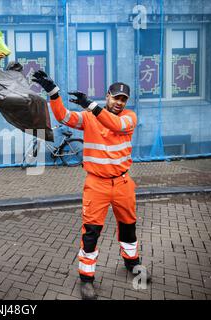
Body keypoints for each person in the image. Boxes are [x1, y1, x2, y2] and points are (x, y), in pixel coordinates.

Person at [32, 70, 151, 300]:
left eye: (123, 99)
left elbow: (115, 125)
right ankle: (86, 279)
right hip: (97, 185)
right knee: (91, 233)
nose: (119, 102)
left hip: (123, 183)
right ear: (107, 96)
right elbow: (64, 117)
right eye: (116, 97)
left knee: (129, 227)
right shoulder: (89, 118)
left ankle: (132, 263)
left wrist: (90, 105)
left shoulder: (129, 118)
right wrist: (53, 93)